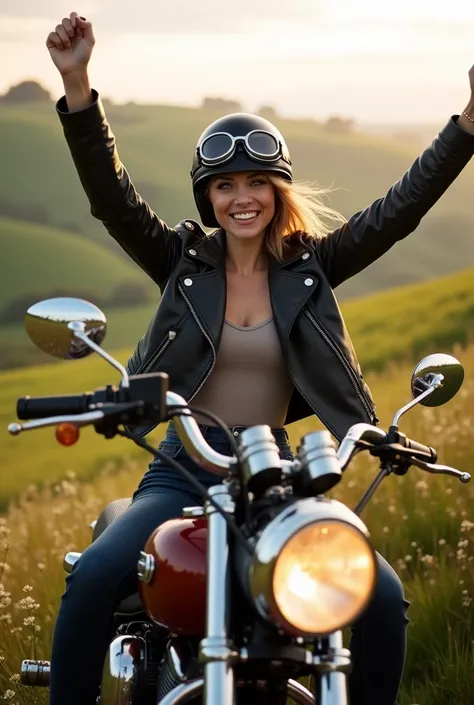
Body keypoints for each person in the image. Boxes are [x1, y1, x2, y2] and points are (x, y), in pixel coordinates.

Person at [45, 12, 474, 705]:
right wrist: (77, 83)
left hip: (276, 471)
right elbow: (112, 200)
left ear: (277, 191)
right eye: (225, 185)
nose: (241, 198)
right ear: (208, 198)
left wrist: (468, 123)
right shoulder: (181, 260)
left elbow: (400, 210)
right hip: (185, 466)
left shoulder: (313, 266)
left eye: (256, 182)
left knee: (380, 595)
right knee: (96, 573)